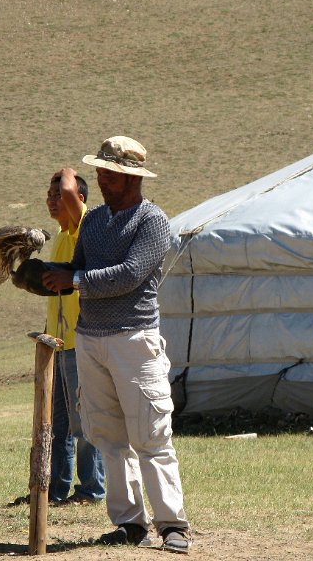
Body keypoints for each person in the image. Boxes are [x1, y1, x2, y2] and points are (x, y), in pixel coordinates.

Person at [42, 136, 191, 553]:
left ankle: (172, 525)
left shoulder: (152, 222)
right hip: (90, 339)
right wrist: (45, 273)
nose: (104, 180)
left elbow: (129, 274)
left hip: (134, 340)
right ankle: (129, 523)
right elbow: (78, 268)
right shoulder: (92, 222)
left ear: (133, 177)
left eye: (113, 174)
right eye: (102, 172)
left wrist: (73, 280)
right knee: (107, 435)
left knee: (151, 435)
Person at [45, 168, 106, 506]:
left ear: (78, 199)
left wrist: (67, 173)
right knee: (58, 426)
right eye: (48, 196)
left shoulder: (84, 228)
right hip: (56, 344)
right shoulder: (59, 235)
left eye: (58, 196)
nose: (52, 201)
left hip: (79, 344)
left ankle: (92, 489)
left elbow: (70, 192)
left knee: (84, 423)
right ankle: (54, 490)